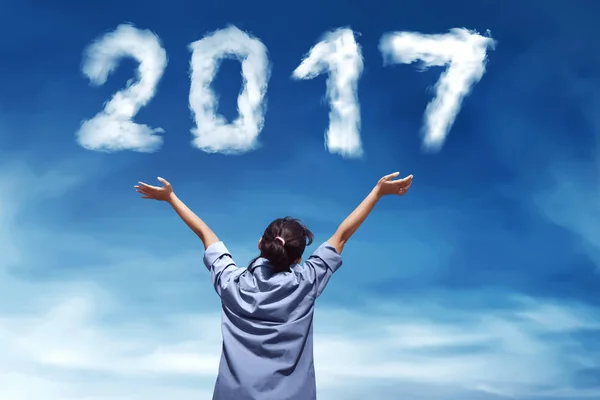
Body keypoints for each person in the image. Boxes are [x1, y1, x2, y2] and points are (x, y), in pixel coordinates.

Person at [134, 172, 413, 400]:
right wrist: (377, 193)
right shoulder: (306, 282)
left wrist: (171, 197)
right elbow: (342, 236)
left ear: (260, 244)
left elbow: (206, 236)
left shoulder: (232, 283)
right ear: (300, 256)